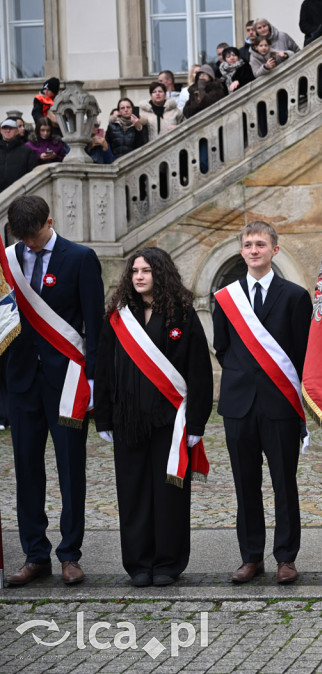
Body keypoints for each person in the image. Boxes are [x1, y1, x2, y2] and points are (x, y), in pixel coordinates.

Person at [94, 247, 213, 587]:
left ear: (161, 274)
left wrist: (197, 424)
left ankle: (167, 564)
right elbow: (103, 368)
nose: (140, 276)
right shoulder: (116, 317)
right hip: (127, 420)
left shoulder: (183, 314)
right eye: (134, 271)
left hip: (171, 422)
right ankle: (139, 564)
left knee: (169, 493)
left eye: (147, 270)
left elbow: (200, 372)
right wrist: (103, 418)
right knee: (133, 493)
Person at [3, 195, 104, 587]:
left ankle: (70, 554)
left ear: (50, 220)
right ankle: (34, 554)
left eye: (34, 236)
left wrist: (95, 381)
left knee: (69, 468)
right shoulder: (8, 259)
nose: (29, 245)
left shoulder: (80, 258)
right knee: (26, 470)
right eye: (23, 238)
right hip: (21, 382)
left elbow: (95, 324)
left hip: (68, 383)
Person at [213, 221, 313, 585]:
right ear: (241, 251)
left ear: (275, 250)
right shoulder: (226, 297)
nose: (254, 250)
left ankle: (286, 557)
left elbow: (303, 352)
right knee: (245, 483)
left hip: (280, 404)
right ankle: (251, 556)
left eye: (261, 244)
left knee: (284, 482)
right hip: (238, 405)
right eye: (248, 245)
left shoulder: (295, 296)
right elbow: (222, 348)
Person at [0, 118, 38, 192]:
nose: (7, 131)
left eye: (11, 128)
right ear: (1, 131)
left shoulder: (27, 151)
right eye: (5, 128)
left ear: (17, 131)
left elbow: (32, 174)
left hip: (18, 193)